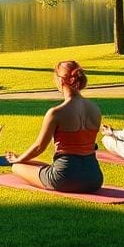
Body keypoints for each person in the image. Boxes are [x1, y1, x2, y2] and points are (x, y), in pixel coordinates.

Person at [6, 61, 103, 193]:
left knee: (17, 167)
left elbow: (39, 147)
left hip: (65, 178)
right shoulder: (95, 109)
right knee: (44, 166)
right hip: (94, 178)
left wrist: (18, 159)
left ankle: (20, 163)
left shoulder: (56, 113)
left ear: (61, 80)